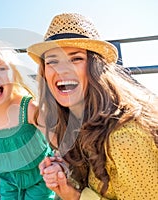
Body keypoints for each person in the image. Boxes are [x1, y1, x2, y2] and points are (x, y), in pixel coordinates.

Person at [27, 13, 158, 199]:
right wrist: (67, 182)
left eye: (76, 59)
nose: (62, 70)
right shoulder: (81, 126)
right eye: (52, 61)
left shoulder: (126, 136)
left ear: (97, 68)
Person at [0, 40, 55, 199]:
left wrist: (61, 156)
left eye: (1, 68)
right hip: (8, 179)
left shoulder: (28, 108)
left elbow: (52, 135)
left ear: (15, 74)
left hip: (39, 175)